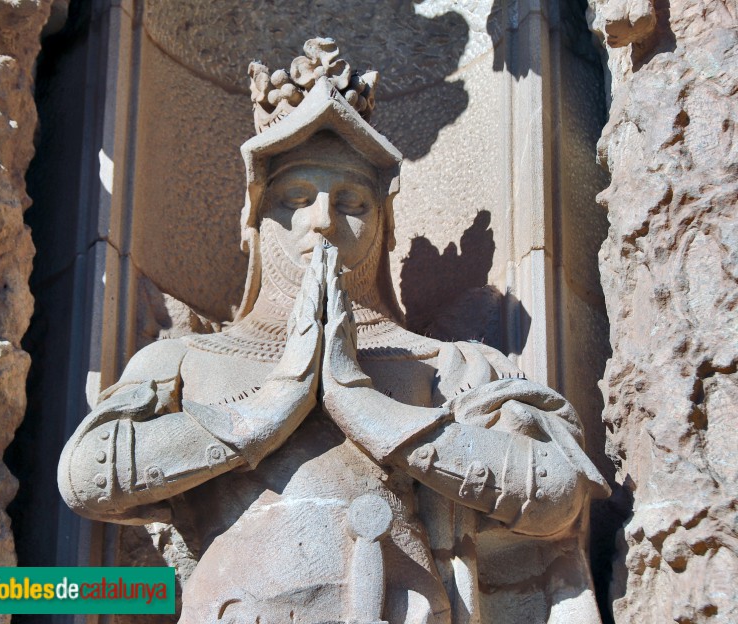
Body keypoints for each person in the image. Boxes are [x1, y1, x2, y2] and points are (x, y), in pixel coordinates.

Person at [59, 40, 610, 624]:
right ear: (255, 217)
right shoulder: (184, 359)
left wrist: (365, 406)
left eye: (351, 202)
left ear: (385, 226)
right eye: (296, 198)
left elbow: (559, 494)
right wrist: (269, 408)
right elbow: (84, 477)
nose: (322, 220)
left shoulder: (449, 364)